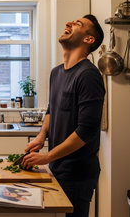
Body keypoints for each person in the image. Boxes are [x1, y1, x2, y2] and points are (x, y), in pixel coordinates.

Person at [22, 14, 105, 217]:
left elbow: (86, 131)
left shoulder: (89, 75)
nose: (68, 23)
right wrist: (42, 136)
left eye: (78, 24)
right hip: (57, 167)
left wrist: (47, 157)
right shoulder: (57, 72)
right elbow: (52, 108)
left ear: (88, 39)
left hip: (78, 174)